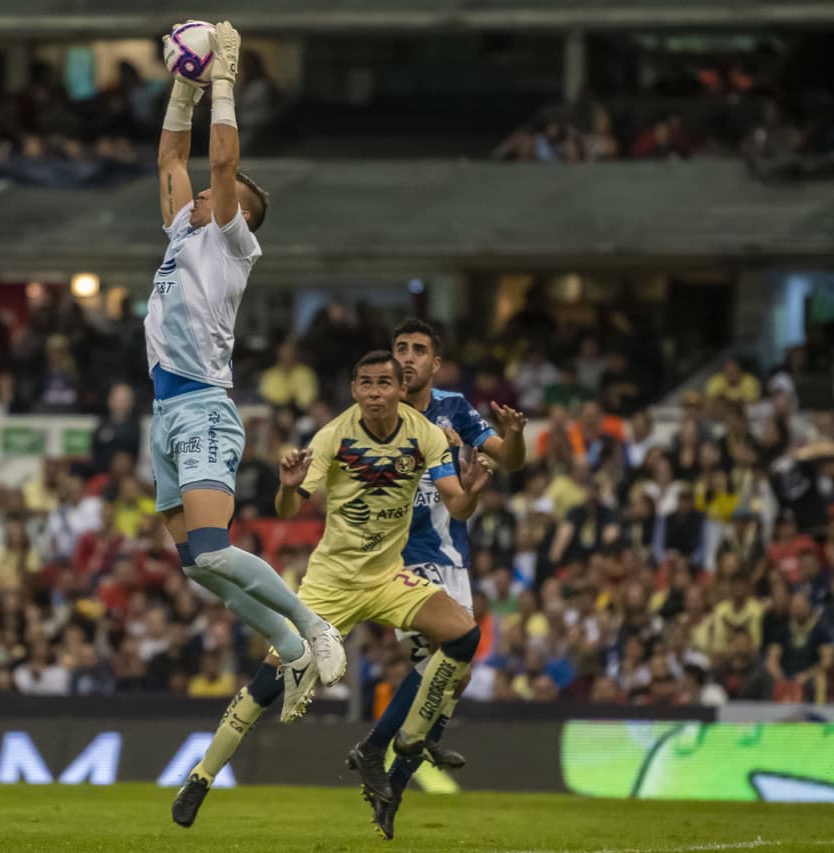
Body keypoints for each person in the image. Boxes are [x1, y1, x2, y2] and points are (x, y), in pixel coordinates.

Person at [171, 351, 486, 828]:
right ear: (353, 390)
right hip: (330, 585)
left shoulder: (423, 434)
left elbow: (457, 507)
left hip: (386, 577)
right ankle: (200, 777)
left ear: (401, 390)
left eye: (385, 383)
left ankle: (408, 739)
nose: (376, 392)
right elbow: (286, 512)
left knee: (464, 634)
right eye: (366, 383)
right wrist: (286, 487)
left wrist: (474, 489)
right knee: (267, 684)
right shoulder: (333, 437)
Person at [151, 19, 344, 727]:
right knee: (197, 566)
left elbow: (219, 168)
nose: (198, 194)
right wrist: (184, 85)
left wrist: (224, 79)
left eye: (212, 194)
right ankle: (291, 645)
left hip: (203, 404)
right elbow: (171, 156)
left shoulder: (230, 244)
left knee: (211, 547)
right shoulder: (183, 235)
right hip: (166, 411)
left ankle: (313, 624)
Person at [349, 318, 528, 838]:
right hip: (402, 556)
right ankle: (378, 746)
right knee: (447, 656)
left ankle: (395, 783)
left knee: (455, 673)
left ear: (434, 363)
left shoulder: (454, 408)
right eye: (400, 348)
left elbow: (509, 461)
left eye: (417, 350)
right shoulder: (379, 415)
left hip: (452, 556)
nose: (406, 357)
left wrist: (513, 438)